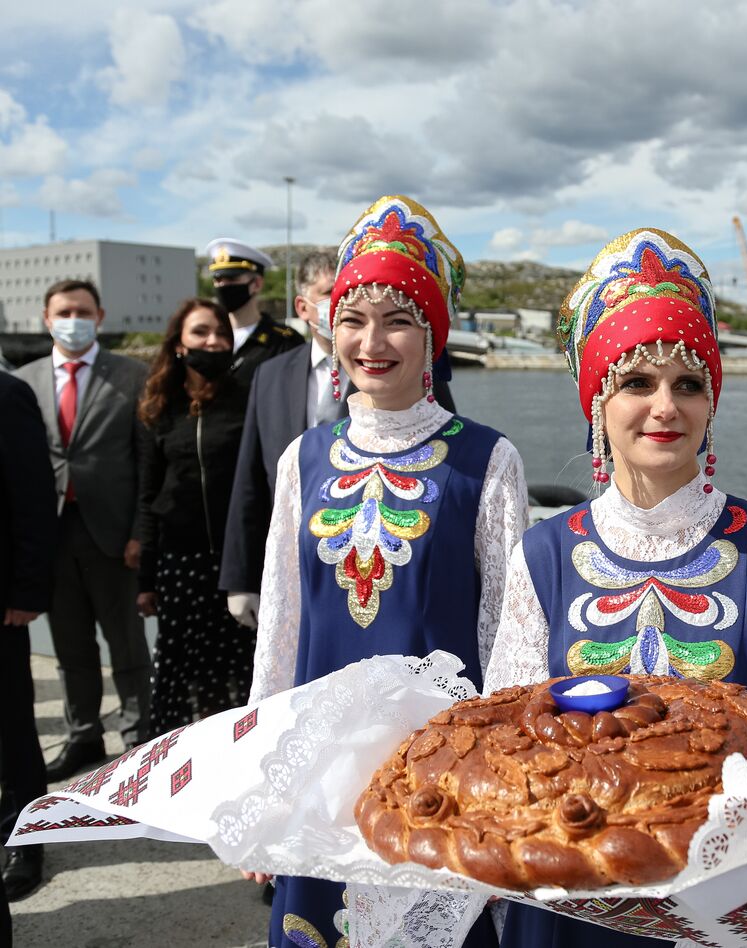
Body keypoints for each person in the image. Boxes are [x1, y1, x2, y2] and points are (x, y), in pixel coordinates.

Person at [483, 228, 747, 947]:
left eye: (688, 384)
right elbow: (509, 747)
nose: (665, 406)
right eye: (637, 382)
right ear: (599, 402)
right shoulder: (542, 554)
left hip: (717, 903)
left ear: (711, 405)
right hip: (565, 898)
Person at [246, 196, 526, 948]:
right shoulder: (303, 459)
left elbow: (510, 640)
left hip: (441, 771)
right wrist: (264, 782)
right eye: (353, 318)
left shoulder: (487, 460)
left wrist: (499, 787)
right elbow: (281, 626)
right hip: (323, 769)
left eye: (398, 318)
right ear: (328, 327)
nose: (372, 341)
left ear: (433, 334)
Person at [219, 251, 456, 630]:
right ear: (304, 306)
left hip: (383, 566)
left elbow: (444, 458)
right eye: (332, 293)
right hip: (290, 565)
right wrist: (240, 578)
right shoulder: (271, 375)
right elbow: (249, 479)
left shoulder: (410, 371)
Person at [12, 279, 152, 780]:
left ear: (100, 315)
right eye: (64, 311)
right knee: (71, 647)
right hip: (49, 535)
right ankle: (83, 734)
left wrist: (140, 531)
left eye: (83, 310)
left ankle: (138, 737)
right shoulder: (23, 380)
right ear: (46, 318)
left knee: (127, 644)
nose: (73, 318)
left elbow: (144, 462)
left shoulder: (133, 375)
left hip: (113, 535)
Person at [135, 298, 253, 732]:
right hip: (181, 566)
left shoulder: (247, 399)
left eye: (222, 333)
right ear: (179, 344)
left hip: (238, 565)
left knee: (240, 676)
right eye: (201, 332)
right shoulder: (158, 406)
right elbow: (148, 494)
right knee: (188, 679)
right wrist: (146, 578)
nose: (213, 341)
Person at [0, 371, 58, 905]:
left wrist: (26, 589)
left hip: (3, 608)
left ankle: (27, 838)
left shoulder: (7, 394)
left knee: (12, 724)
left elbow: (34, 499)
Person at [204, 238, 303, 384]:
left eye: (231, 278)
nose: (222, 285)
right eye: (218, 279)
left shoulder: (284, 342)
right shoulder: (206, 339)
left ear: (256, 284)